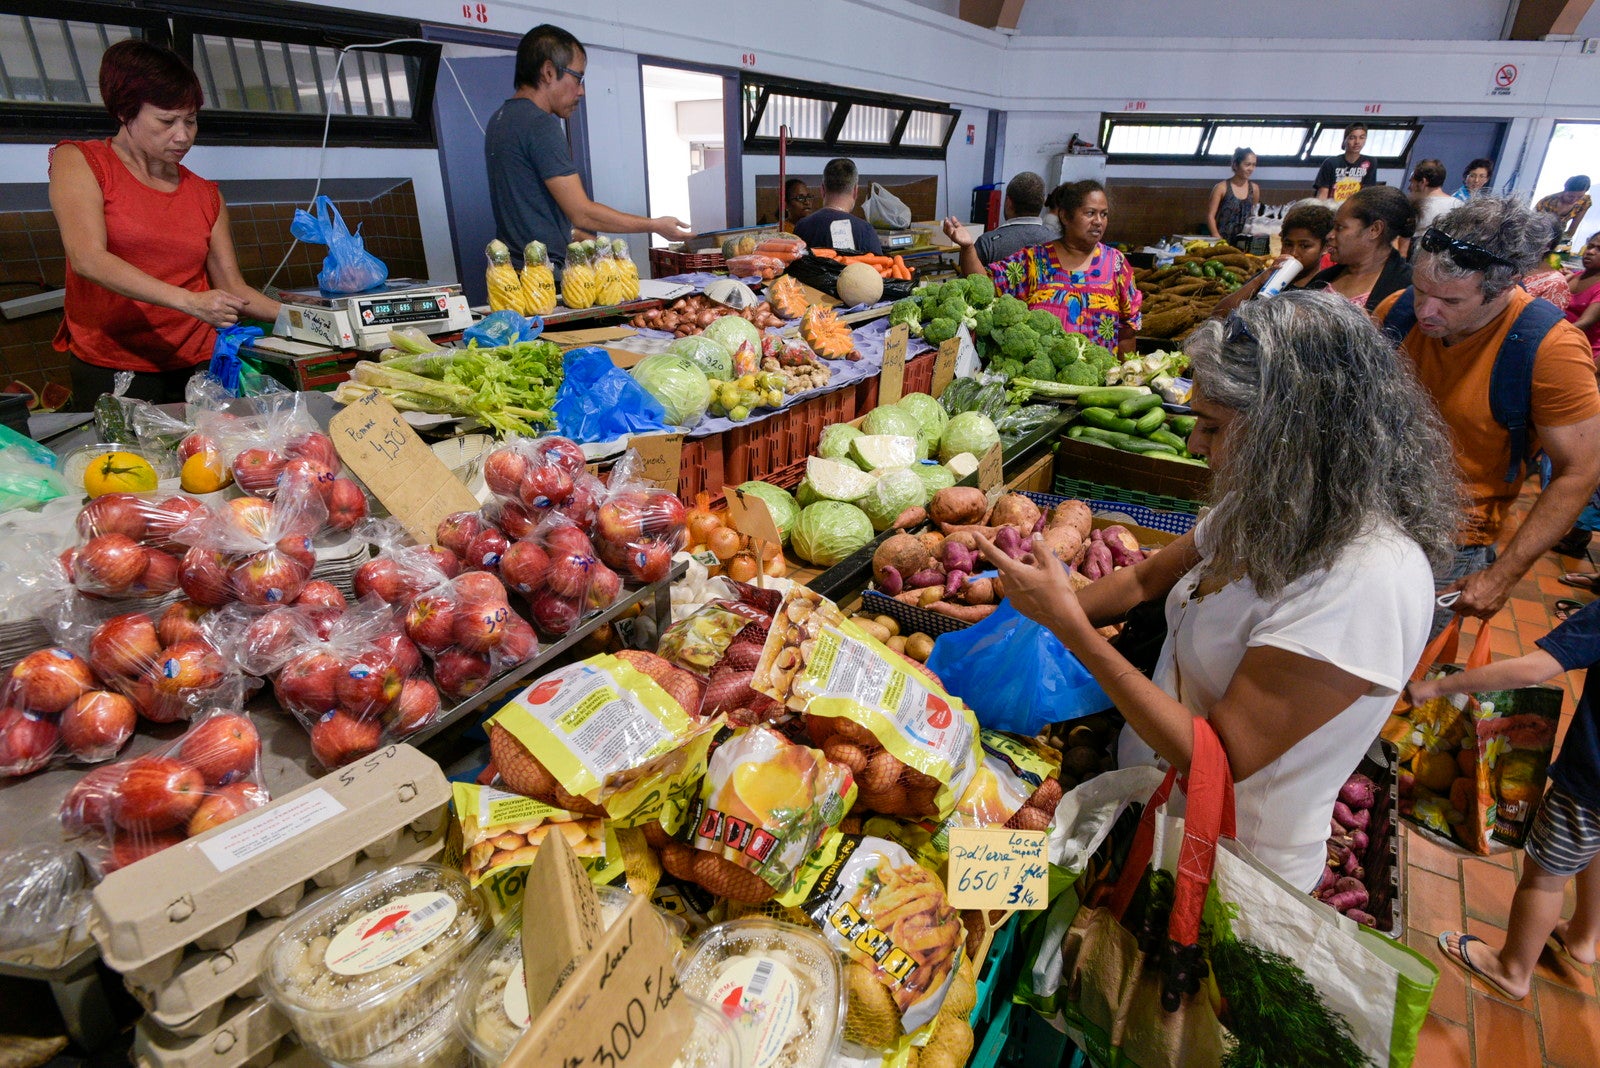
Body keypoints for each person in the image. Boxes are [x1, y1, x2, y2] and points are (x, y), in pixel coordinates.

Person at [976, 292, 1458, 891]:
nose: (1195, 445)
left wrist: (1071, 628)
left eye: (1214, 426)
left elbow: (1218, 760)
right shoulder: (1268, 506)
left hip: (1229, 869)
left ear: (1292, 432)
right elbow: (1143, 579)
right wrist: (1018, 596)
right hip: (1148, 810)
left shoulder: (1367, 579)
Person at [1372, 196, 1600, 631]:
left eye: (1451, 302)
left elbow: (1580, 472)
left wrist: (1504, 574)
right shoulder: (1398, 313)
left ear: (1503, 288)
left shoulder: (1551, 351)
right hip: (1371, 511)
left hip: (1449, 539)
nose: (1427, 311)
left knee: (1395, 658)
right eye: (1422, 290)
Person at [48, 40, 280, 408]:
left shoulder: (205, 194)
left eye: (190, 120)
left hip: (199, 364)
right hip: (115, 364)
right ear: (126, 113)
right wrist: (190, 301)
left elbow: (234, 287)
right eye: (166, 121)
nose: (183, 135)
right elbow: (87, 258)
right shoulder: (82, 162)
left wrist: (314, 320)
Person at [1418, 599, 1600, 999]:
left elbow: (1535, 668)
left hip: (1589, 785)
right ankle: (1584, 937)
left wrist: (1439, 686)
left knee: (1546, 875)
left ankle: (1511, 968)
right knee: (1596, 847)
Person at [485, 25, 689, 270]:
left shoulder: (500, 119)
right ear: (549, 72)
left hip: (516, 276)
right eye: (578, 78)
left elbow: (529, 213)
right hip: (547, 279)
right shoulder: (540, 125)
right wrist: (655, 225)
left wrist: (584, 239)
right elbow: (582, 213)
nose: (581, 91)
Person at [940, 180, 1142, 353]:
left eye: (1104, 214)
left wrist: (1126, 380)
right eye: (1090, 213)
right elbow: (984, 284)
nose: (1098, 221)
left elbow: (1128, 329)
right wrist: (967, 248)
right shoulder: (1035, 260)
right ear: (1065, 216)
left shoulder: (1116, 264)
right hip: (1041, 385)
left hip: (1099, 389)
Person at [1210, 201, 1334, 318]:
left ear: (1325, 247)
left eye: (1304, 246)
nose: (1293, 253)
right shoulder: (1268, 278)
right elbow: (1219, 314)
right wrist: (1259, 281)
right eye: (1288, 244)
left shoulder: (1324, 289)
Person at [1304, 185, 1414, 311]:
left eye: (1340, 227)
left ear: (1374, 230)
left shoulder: (1405, 289)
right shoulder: (1325, 277)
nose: (1330, 235)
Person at [792, 158, 882, 255]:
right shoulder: (866, 231)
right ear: (855, 191)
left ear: (822, 190)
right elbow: (878, 268)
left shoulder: (801, 227)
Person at [972, 171, 1054, 265]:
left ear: (1008, 202)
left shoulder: (987, 244)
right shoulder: (1059, 242)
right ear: (1043, 202)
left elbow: (968, 278)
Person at [1205, 148, 1260, 244]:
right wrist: (1217, 237)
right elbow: (1210, 215)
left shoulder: (1254, 189)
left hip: (1244, 242)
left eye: (1254, 165)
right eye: (1247, 164)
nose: (1251, 169)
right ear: (1235, 165)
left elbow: (1253, 216)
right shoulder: (1221, 187)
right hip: (1222, 240)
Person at [1313, 123, 1377, 202]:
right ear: (1345, 140)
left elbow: (1368, 193)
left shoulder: (1371, 162)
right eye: (1352, 138)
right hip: (1332, 206)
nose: (1357, 142)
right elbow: (1323, 193)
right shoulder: (1331, 162)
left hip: (1355, 208)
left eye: (1362, 138)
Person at [1566, 231, 1600, 361]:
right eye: (1590, 246)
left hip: (1581, 354)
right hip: (1558, 341)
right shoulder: (1574, 276)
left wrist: (1547, 333)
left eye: (1599, 249)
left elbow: (1584, 323)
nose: (1590, 252)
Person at [1407, 158, 1457, 238]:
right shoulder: (1460, 205)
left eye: (1411, 182)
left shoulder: (1415, 208)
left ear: (1423, 182)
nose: (1409, 188)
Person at [1536, 175, 1593, 244]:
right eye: (1570, 196)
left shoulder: (1584, 201)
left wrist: (1563, 242)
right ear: (1565, 190)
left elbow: (1572, 229)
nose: (1574, 200)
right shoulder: (1547, 202)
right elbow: (1534, 225)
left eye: (1579, 197)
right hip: (1539, 235)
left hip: (1559, 237)